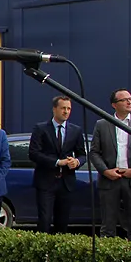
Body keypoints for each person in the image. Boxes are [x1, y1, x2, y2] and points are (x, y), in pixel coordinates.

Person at [90, 89, 131, 240]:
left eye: (130, 99)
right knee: (108, 224)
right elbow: (94, 152)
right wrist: (106, 171)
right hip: (110, 179)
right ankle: (107, 259)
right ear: (114, 105)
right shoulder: (102, 124)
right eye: (124, 100)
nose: (129, 102)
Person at [28, 96, 85, 234]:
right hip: (46, 182)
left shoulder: (75, 131)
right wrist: (57, 162)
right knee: (45, 220)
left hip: (66, 183)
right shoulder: (41, 128)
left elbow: (82, 154)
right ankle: (42, 251)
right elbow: (33, 153)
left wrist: (76, 162)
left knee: (63, 221)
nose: (66, 111)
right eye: (63, 108)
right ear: (54, 109)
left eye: (69, 108)